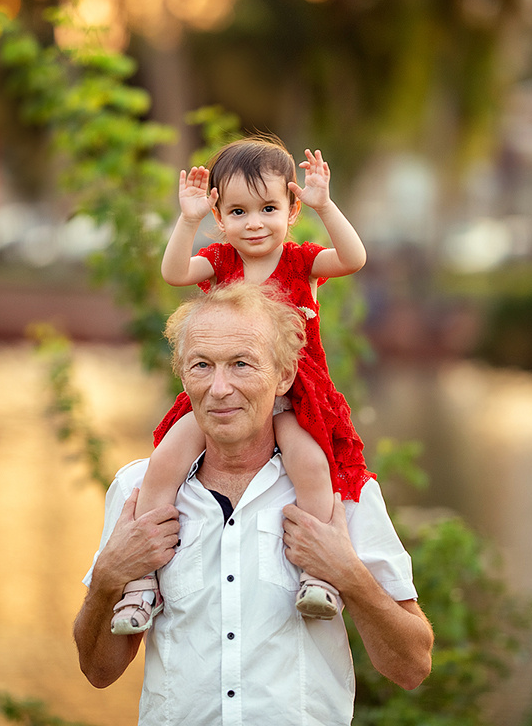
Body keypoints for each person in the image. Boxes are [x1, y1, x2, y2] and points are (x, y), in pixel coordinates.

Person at [74, 282, 433, 725]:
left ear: (283, 376)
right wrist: (108, 577)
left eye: (241, 364)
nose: (219, 388)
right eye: (202, 365)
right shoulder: (139, 490)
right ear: (183, 376)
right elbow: (99, 671)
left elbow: (412, 667)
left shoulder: (343, 493)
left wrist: (349, 575)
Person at [111, 135, 370, 634]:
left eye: (268, 208)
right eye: (237, 211)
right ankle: (140, 582)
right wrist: (188, 220)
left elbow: (354, 258)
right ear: (220, 215)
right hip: (226, 392)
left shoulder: (301, 262)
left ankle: (318, 576)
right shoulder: (221, 261)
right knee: (164, 459)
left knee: (312, 466)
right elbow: (174, 273)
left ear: (292, 209)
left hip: (292, 395)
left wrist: (326, 204)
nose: (254, 223)